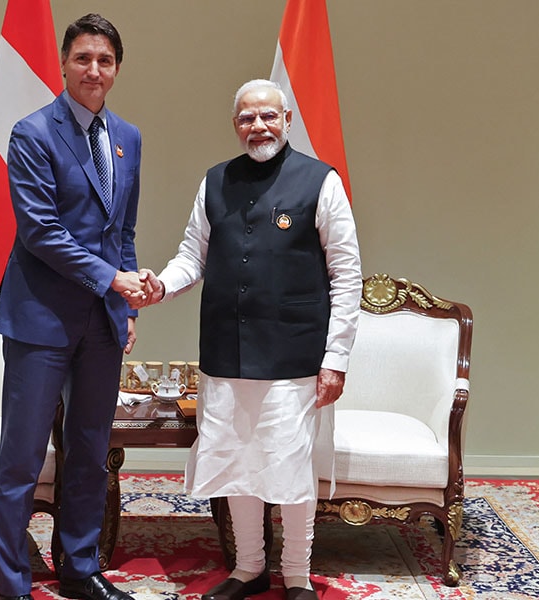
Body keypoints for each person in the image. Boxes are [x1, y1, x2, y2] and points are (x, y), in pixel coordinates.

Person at [139, 79, 362, 600]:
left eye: (267, 116)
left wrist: (337, 357)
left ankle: (298, 575)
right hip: (225, 352)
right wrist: (159, 287)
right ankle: (248, 568)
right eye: (246, 118)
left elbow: (347, 274)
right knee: (238, 464)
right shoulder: (215, 181)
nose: (257, 126)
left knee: (288, 469)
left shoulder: (320, 182)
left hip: (294, 356)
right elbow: (191, 256)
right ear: (235, 124)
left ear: (287, 119)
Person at [0, 13, 144, 600]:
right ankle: (13, 585)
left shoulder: (128, 137)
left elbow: (123, 231)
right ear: (63, 63)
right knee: (23, 459)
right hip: (39, 319)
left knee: (88, 451)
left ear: (117, 69)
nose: (94, 70)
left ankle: (79, 569)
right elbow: (41, 232)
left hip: (103, 322)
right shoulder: (32, 133)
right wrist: (115, 281)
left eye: (105, 60)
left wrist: (124, 307)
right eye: (84, 58)